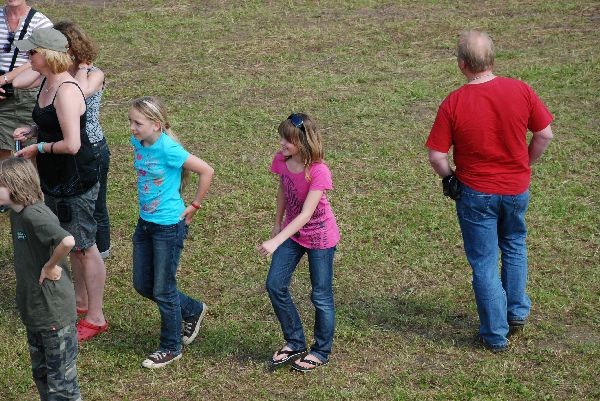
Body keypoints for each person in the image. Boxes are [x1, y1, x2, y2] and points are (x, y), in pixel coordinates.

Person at [426, 30, 554, 352]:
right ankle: (516, 313)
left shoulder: (454, 102)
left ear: (461, 64)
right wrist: (525, 162)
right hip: (515, 189)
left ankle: (495, 335)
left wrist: (449, 178)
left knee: (484, 262)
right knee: (514, 244)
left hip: (475, 193)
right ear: (492, 59)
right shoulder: (521, 90)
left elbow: (436, 156)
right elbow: (545, 134)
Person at [13, 27, 108, 342]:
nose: (28, 57)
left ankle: (95, 316)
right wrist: (32, 129)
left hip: (74, 177)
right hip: (56, 175)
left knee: (83, 245)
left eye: (32, 52)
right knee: (73, 241)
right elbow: (51, 123)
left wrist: (37, 148)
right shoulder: (47, 82)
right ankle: (80, 301)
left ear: (47, 55)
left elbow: (72, 144)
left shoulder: (66, 90)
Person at [129, 96, 214, 368]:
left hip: (168, 227)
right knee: (143, 284)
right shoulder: (138, 142)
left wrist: (195, 205)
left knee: (164, 289)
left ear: (156, 124)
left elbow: (206, 171)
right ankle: (192, 309)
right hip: (145, 224)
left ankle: (170, 346)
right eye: (130, 121)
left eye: (137, 123)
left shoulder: (169, 148)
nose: (132, 128)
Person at [257, 113, 340, 372]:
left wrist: (276, 241)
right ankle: (295, 341)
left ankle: (320, 350)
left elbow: (306, 214)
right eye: (281, 137)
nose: (281, 143)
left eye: (288, 140)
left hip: (320, 238)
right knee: (275, 285)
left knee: (321, 296)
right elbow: (282, 188)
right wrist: (277, 222)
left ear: (304, 143)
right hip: (292, 233)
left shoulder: (318, 171)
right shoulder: (281, 161)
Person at [0, 157, 82, 401]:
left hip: (53, 315)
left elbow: (67, 240)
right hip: (35, 312)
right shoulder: (17, 212)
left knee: (62, 387)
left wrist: (50, 265)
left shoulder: (34, 215)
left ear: (14, 187)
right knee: (43, 375)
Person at [0, 0, 52, 161]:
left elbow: (42, 60)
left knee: (27, 156)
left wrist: (6, 78)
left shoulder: (41, 22)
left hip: (28, 94)